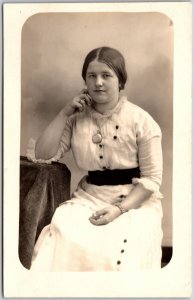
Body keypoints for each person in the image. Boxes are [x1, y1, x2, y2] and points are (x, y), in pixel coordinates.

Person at [27, 46, 163, 271]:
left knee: (121, 249)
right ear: (85, 81)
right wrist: (64, 113)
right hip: (88, 198)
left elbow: (152, 179)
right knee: (63, 233)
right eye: (92, 76)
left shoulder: (142, 121)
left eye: (106, 75)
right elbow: (43, 155)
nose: (98, 82)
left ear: (120, 81)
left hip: (135, 201)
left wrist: (119, 209)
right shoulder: (76, 119)